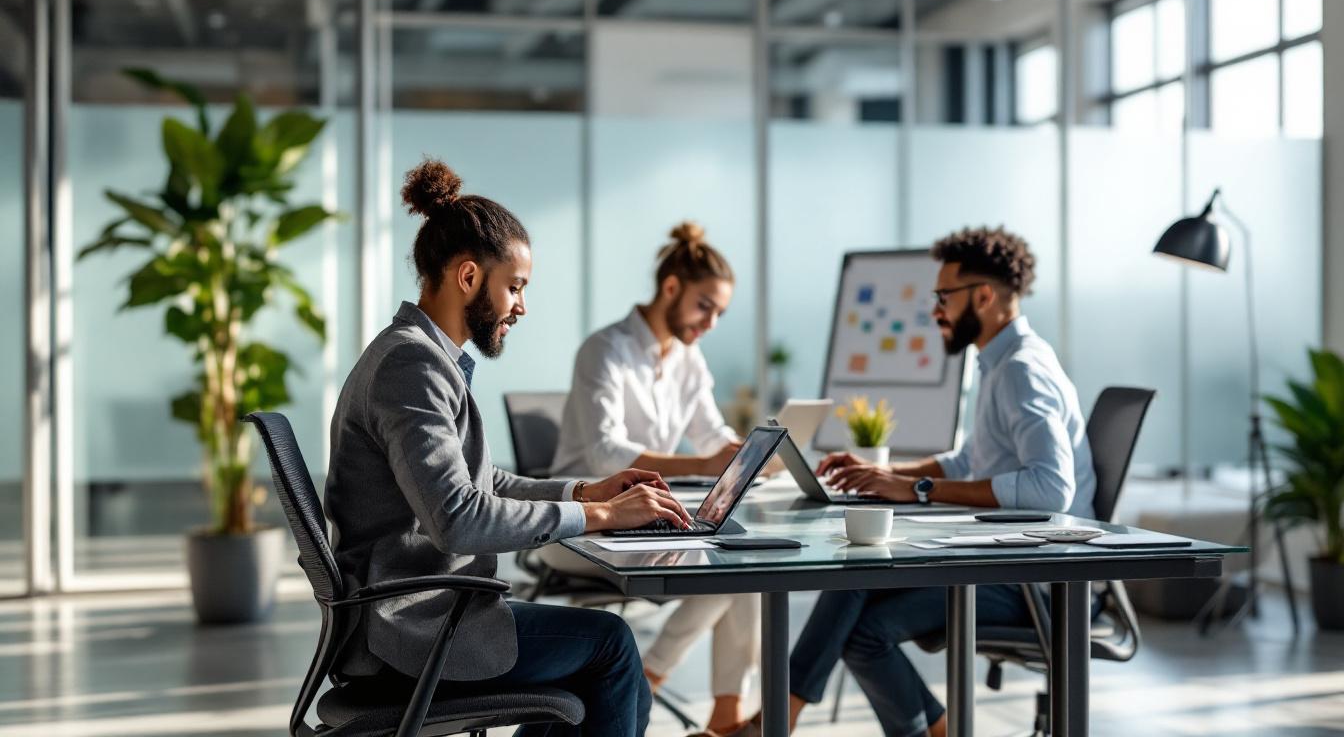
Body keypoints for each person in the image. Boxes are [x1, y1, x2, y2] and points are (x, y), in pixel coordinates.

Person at [325, 158, 696, 737]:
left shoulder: (422, 356)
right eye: (515, 286)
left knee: (595, 670)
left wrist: (585, 490)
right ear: (469, 278)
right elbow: (458, 518)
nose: (521, 306)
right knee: (614, 649)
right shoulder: (411, 365)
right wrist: (597, 515)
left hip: (421, 613)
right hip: (412, 630)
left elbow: (481, 481)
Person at [745, 226, 1096, 737]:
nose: (935, 310)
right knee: (856, 574)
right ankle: (779, 719)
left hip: (1035, 581)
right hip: (1005, 558)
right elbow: (969, 461)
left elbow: (1049, 488)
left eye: (943, 296)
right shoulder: (1001, 364)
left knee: (865, 627)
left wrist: (917, 491)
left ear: (983, 295)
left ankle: (782, 720)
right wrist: (886, 475)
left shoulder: (1022, 370)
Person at [546, 224, 761, 735]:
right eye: (705, 306)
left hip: (649, 519)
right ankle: (653, 675)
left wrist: (742, 457)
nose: (710, 323)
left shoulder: (688, 359)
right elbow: (606, 452)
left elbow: (711, 435)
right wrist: (706, 466)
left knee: (751, 560)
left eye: (719, 313)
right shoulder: (605, 350)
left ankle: (724, 715)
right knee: (739, 568)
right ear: (671, 288)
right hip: (580, 525)